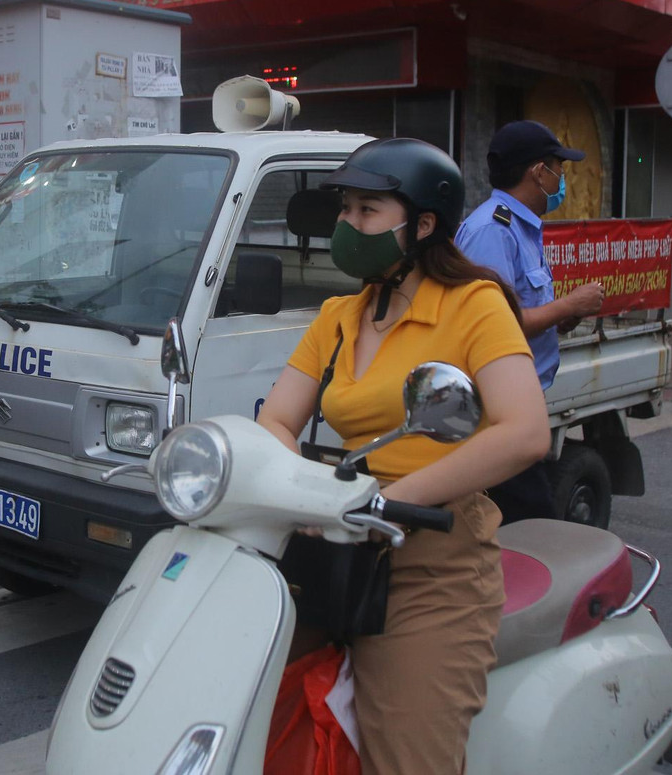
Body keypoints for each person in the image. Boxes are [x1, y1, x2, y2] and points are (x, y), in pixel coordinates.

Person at [256, 138, 551, 775]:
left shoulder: (473, 305)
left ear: (422, 225)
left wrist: (390, 500)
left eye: (367, 211)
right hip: (333, 546)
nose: (348, 226)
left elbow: (525, 430)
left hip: (431, 564)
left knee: (408, 760)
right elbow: (277, 419)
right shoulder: (339, 315)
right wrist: (304, 489)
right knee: (248, 710)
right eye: (344, 211)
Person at [454, 120, 605, 523]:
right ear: (539, 172)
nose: (562, 181)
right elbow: (496, 326)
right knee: (531, 523)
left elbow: (520, 310)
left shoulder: (521, 228)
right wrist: (570, 302)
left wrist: (562, 316)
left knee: (521, 523)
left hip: (520, 401)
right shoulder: (493, 231)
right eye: (559, 169)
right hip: (496, 409)